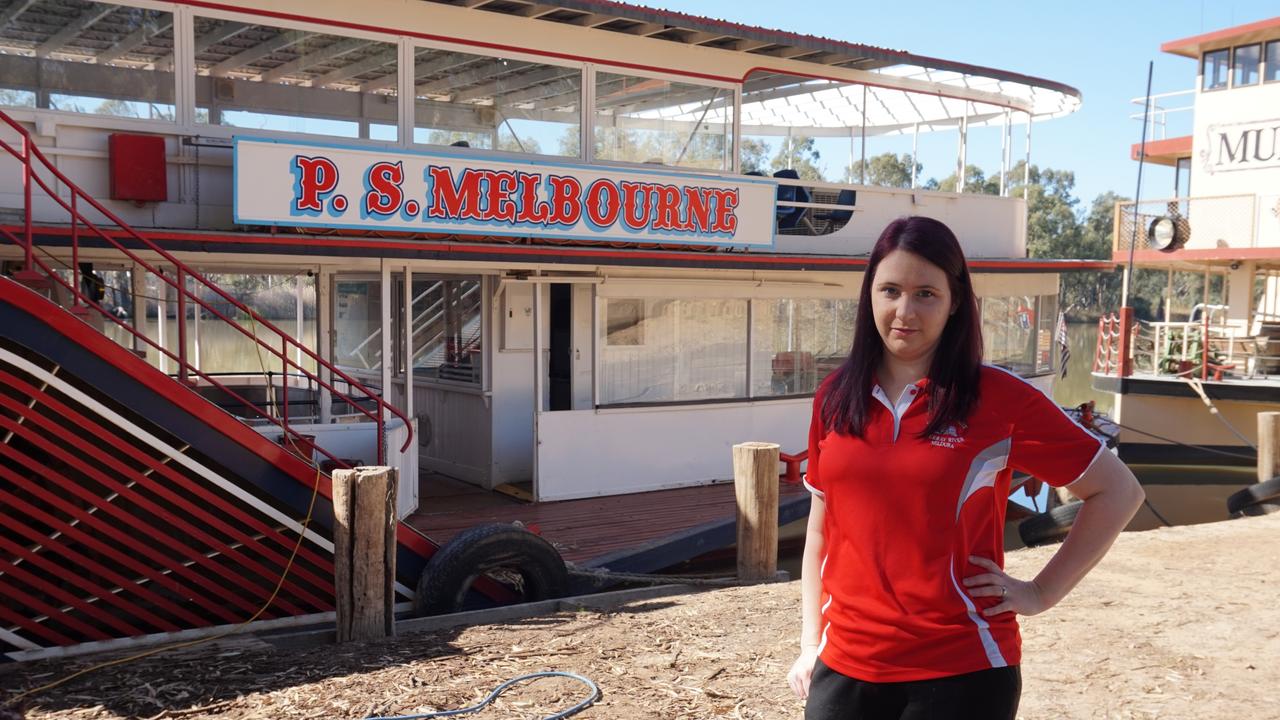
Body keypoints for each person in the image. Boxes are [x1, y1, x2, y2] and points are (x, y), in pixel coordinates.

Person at [787, 216, 1144, 719]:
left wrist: (1040, 592)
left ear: (956, 302)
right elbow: (822, 534)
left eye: (926, 293)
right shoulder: (835, 397)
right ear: (870, 294)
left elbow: (1117, 491)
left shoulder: (997, 398)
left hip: (961, 670)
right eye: (890, 290)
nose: (904, 311)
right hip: (845, 666)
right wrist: (810, 642)